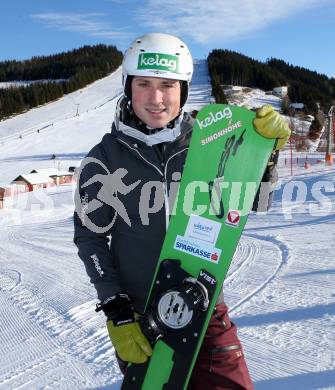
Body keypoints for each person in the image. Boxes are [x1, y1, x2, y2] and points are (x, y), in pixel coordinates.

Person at [73, 33, 290, 390]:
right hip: (141, 317)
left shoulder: (211, 141)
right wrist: (116, 310)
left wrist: (263, 156)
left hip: (205, 304)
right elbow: (90, 237)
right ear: (128, 87)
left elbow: (258, 201)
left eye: (167, 85)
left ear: (184, 90)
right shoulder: (105, 158)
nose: (156, 98)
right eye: (143, 84)